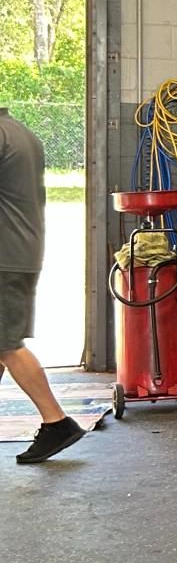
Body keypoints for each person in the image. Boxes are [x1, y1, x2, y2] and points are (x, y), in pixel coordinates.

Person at [0, 106, 85, 464]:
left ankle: (57, 421)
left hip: (5, 256)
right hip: (19, 252)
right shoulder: (19, 131)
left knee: (7, 345)